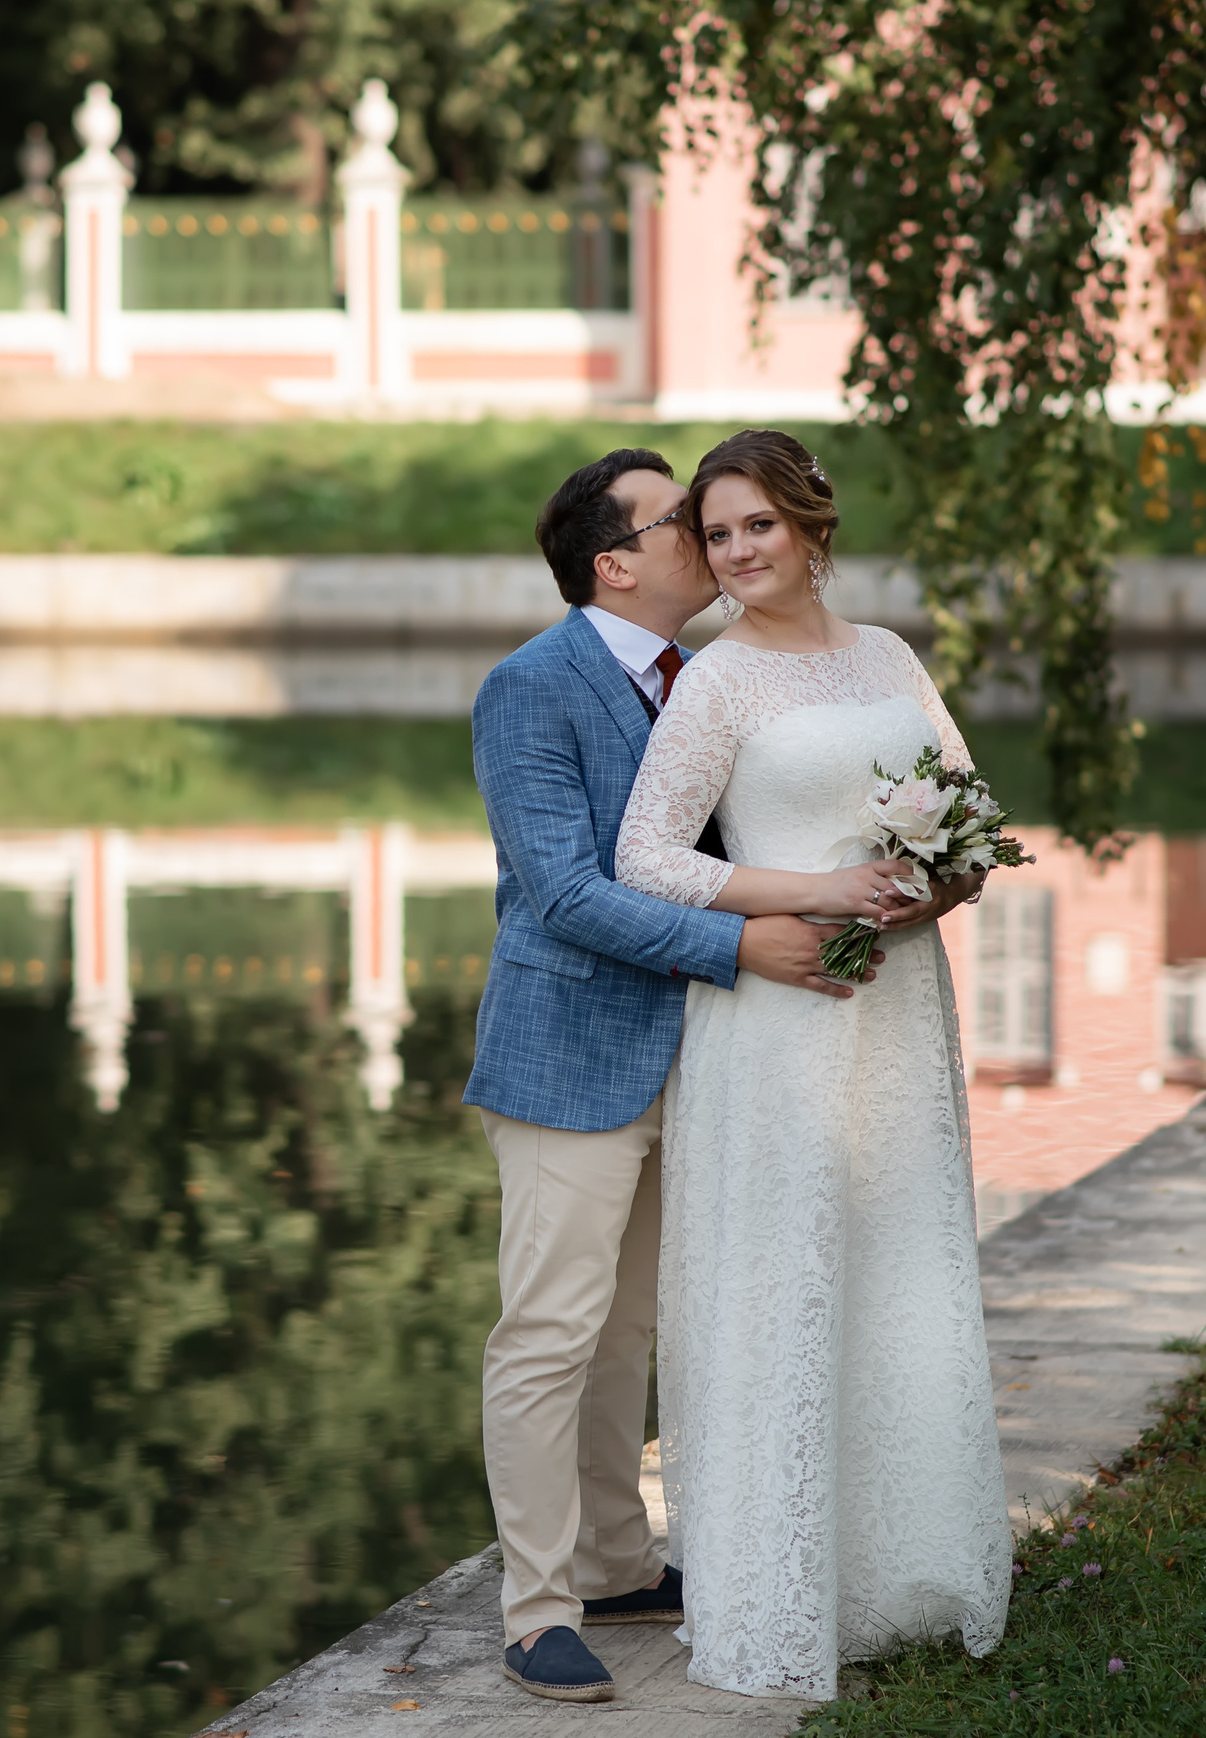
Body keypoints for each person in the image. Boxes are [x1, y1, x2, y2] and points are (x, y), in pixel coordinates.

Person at [465, 447, 922, 1703]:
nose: (711, 537)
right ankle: (535, 1606)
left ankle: (618, 1560)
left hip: (716, 1057)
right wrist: (741, 945)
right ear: (615, 563)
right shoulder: (531, 688)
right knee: (551, 1332)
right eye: (681, 520)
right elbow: (562, 891)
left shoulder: (717, 674)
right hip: (569, 1053)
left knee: (638, 1329)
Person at [613, 428, 1012, 1700]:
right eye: (716, 535)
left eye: (755, 527)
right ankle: (776, 1588)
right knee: (783, 1279)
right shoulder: (716, 682)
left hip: (895, 1004)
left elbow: (968, 816)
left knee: (895, 1263)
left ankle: (898, 1574)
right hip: (778, 1016)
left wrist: (929, 892)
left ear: (810, 524)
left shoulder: (889, 657)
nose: (736, 553)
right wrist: (818, 889)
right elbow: (648, 859)